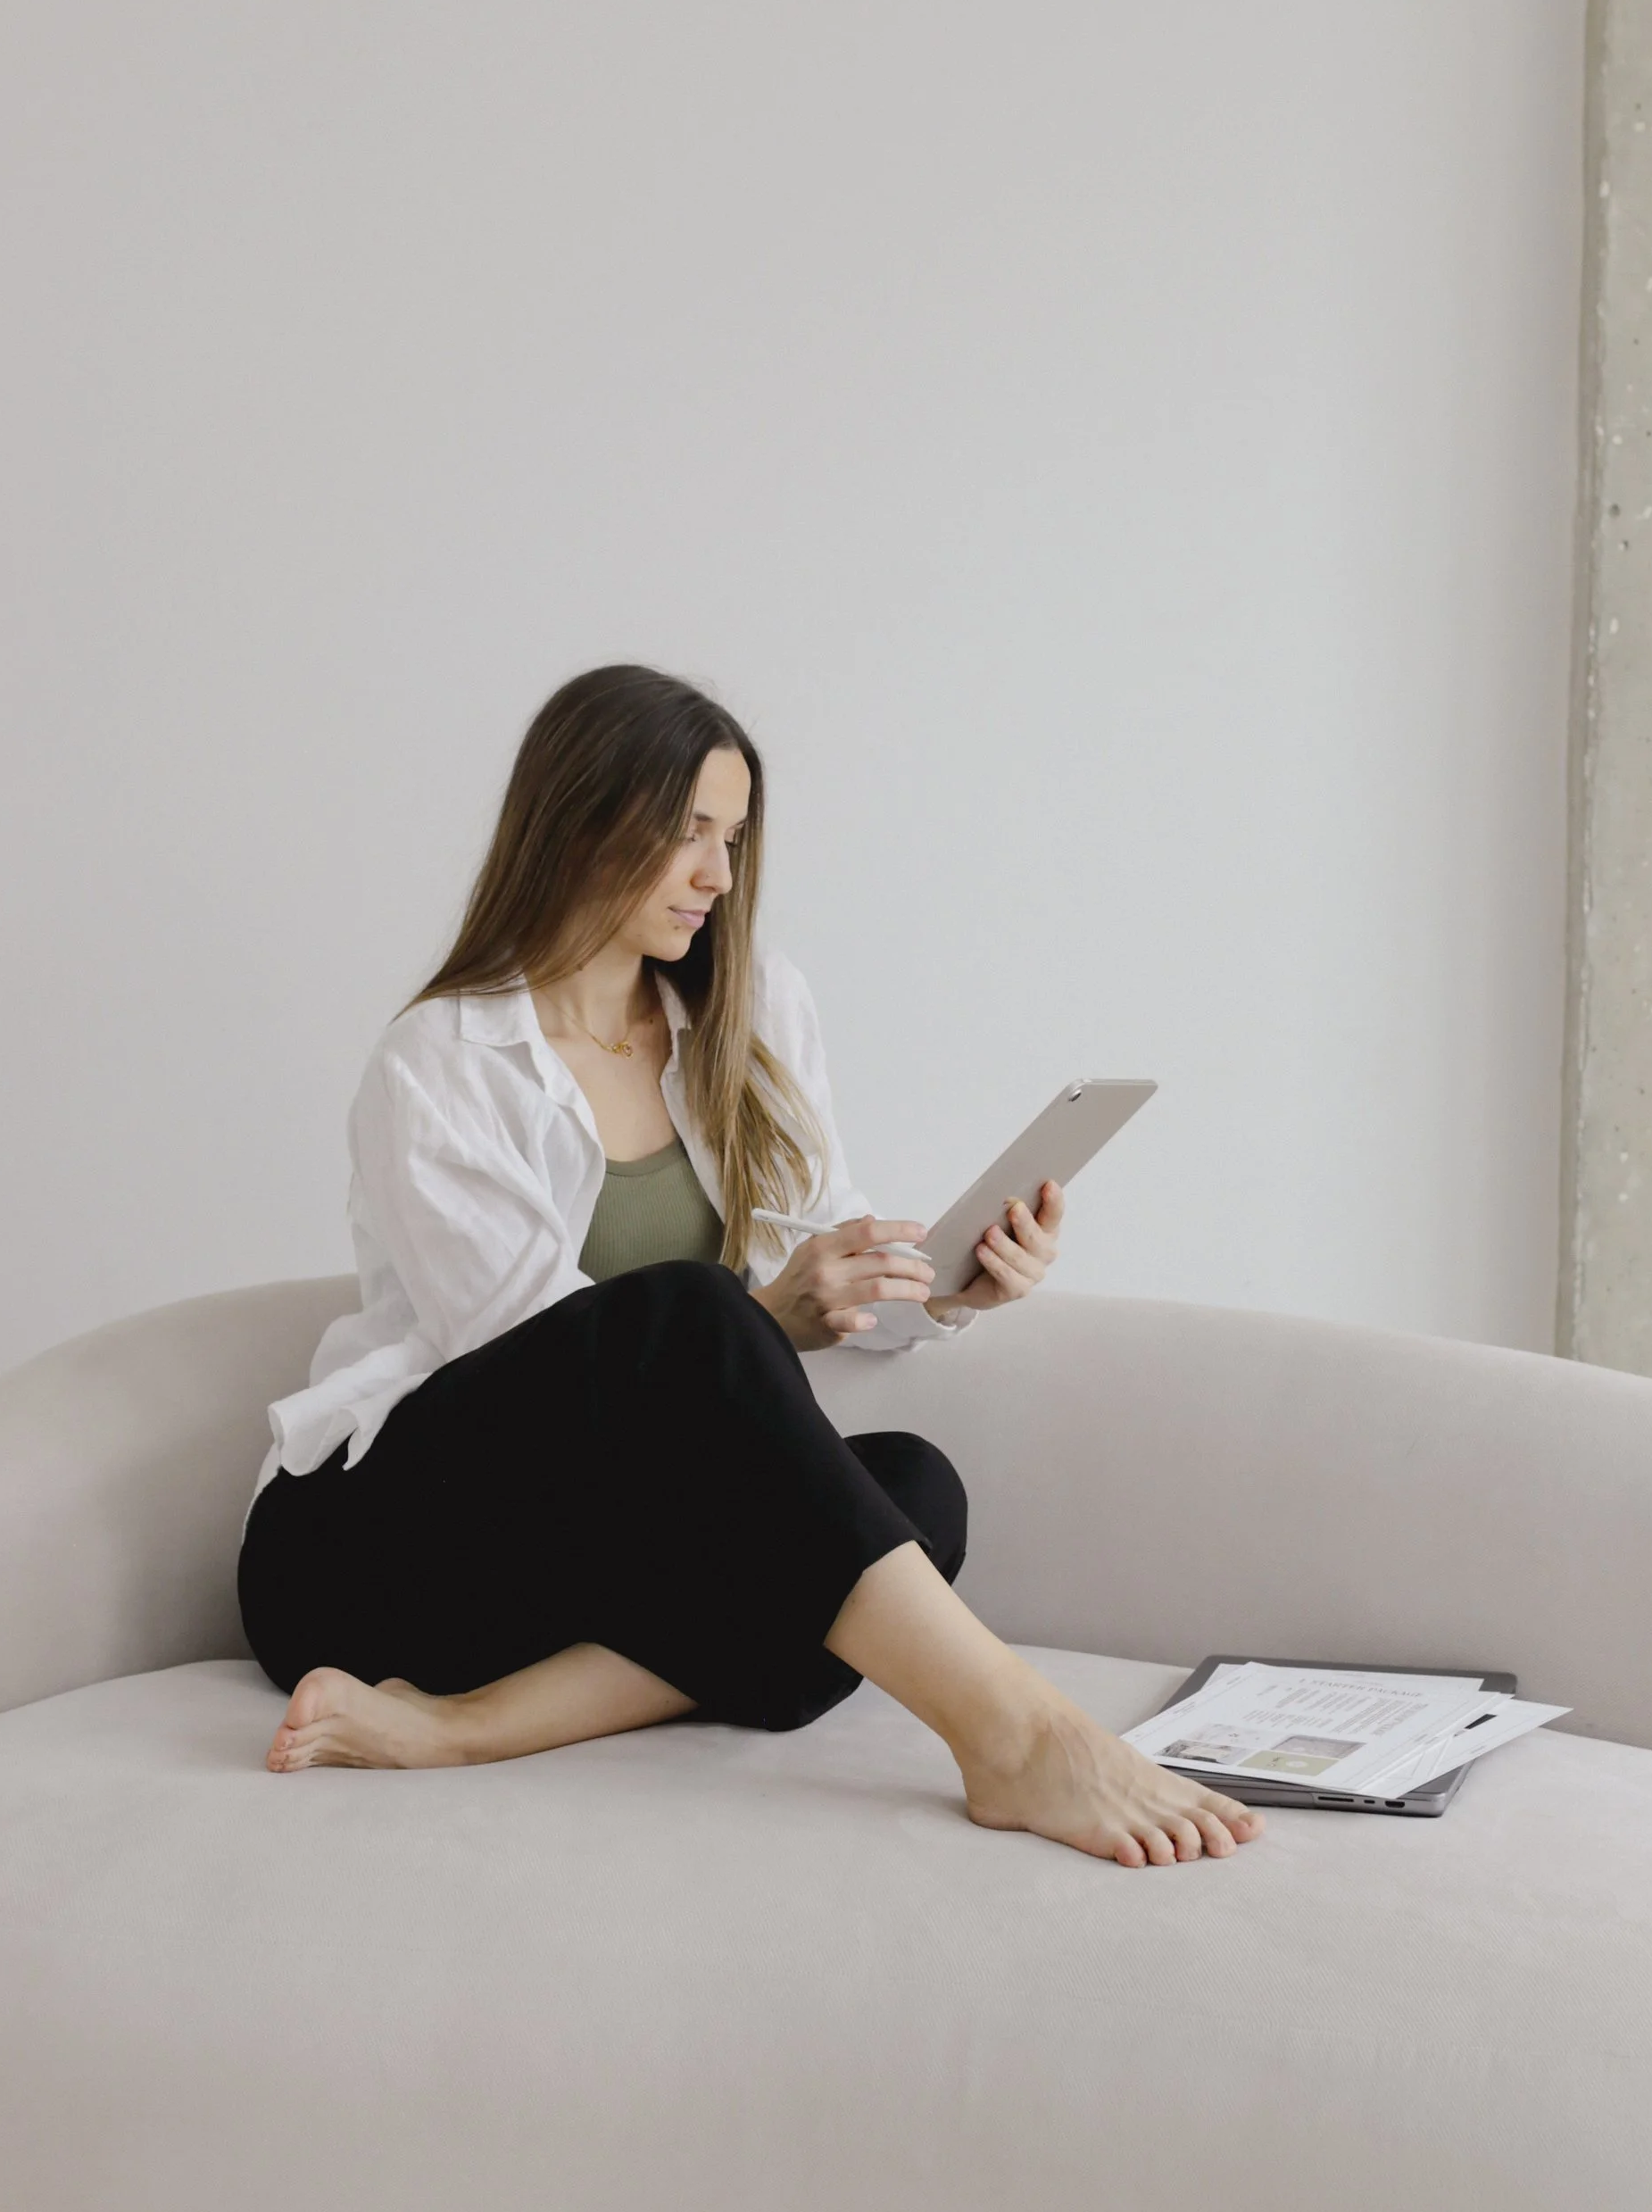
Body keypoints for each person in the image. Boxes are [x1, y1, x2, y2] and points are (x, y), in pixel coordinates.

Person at [237, 661, 1260, 1871]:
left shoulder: (752, 1011)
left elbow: (811, 1250)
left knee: (915, 1491)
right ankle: (1015, 1732)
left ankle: (463, 1727)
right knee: (689, 1312)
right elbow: (552, 1362)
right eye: (684, 836)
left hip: (575, 1553)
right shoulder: (440, 1059)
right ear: (578, 823)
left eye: (730, 837)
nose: (718, 876)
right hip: (386, 1551)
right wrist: (772, 1312)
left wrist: (941, 1287)